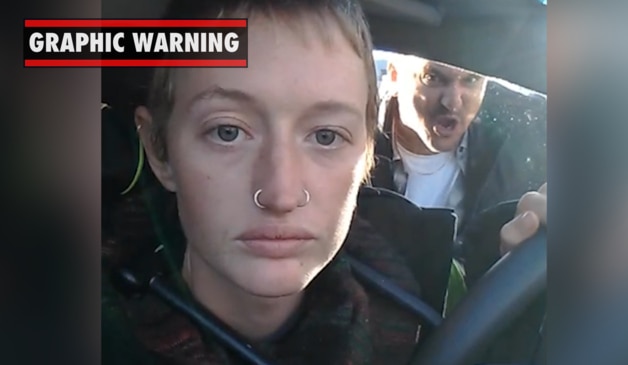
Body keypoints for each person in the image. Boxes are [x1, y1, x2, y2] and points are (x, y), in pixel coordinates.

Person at [100, 1, 546, 364]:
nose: (280, 193)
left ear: (368, 153)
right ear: (160, 151)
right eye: (227, 132)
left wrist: (529, 321)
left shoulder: (434, 293)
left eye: (326, 136)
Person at [371, 54, 547, 266]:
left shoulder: (520, 143)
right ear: (394, 75)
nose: (452, 102)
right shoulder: (349, 140)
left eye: (471, 80)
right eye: (432, 77)